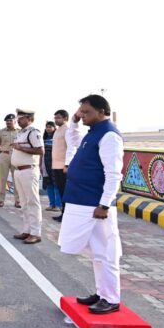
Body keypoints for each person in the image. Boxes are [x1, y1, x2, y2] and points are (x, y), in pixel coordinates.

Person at [59, 95, 124, 314]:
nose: (82, 115)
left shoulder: (109, 136)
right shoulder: (92, 133)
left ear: (102, 111)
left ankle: (111, 298)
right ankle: (102, 292)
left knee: (107, 252)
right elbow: (73, 141)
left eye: (86, 112)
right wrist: (75, 121)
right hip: (81, 201)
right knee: (96, 252)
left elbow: (114, 174)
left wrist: (104, 205)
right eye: (81, 112)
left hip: (96, 205)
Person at [10, 109, 44, 244]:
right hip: (19, 171)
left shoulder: (33, 132)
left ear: (29, 118)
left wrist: (20, 148)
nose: (18, 120)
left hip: (29, 170)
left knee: (32, 202)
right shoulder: (21, 133)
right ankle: (27, 229)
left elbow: (40, 150)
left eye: (21, 117)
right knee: (24, 203)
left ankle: (36, 233)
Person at [51, 109, 79, 223]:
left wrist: (67, 164)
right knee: (61, 191)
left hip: (63, 166)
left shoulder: (67, 131)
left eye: (58, 117)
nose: (56, 119)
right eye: (55, 117)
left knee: (65, 191)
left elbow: (71, 148)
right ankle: (64, 213)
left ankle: (67, 215)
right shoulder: (57, 131)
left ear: (65, 118)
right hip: (56, 165)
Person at [0, 114, 21, 208]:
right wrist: (2, 153)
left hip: (16, 156)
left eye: (10, 120)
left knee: (16, 179)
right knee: (2, 179)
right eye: (7, 121)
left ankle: (18, 201)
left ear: (15, 121)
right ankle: (1, 200)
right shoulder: (1, 132)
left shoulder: (20, 132)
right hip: (4, 155)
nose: (8, 122)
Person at [42, 121, 62, 212]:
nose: (48, 128)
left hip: (55, 163)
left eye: (50, 127)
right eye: (47, 127)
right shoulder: (44, 138)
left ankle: (58, 205)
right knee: (49, 184)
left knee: (56, 184)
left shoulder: (57, 137)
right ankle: (51, 204)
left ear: (54, 128)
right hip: (46, 163)